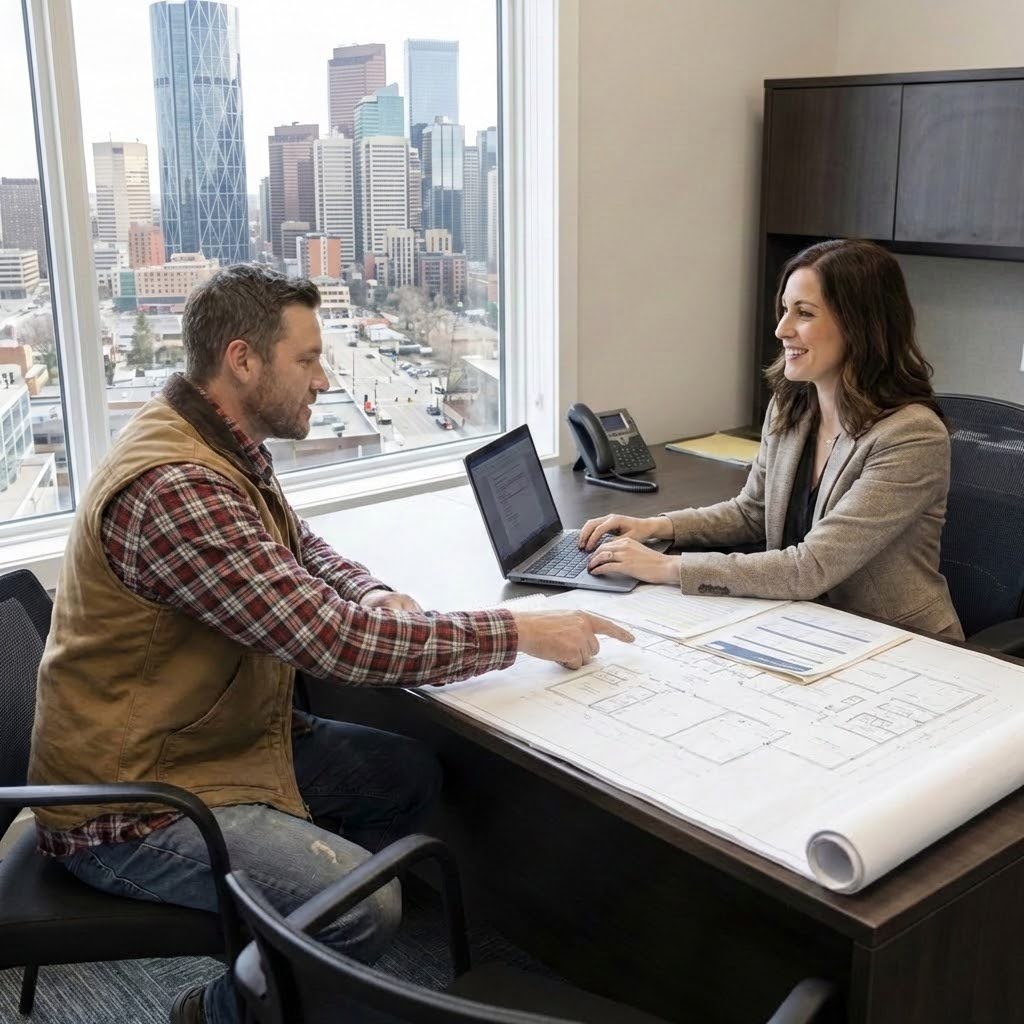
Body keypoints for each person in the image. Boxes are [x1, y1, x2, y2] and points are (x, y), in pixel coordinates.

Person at [27, 264, 632, 1024]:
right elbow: (336, 645)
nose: (323, 379)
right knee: (366, 906)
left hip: (212, 746)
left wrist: (371, 589)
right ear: (243, 360)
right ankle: (218, 1010)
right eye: (308, 359)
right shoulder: (178, 485)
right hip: (136, 804)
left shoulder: (213, 438)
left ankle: (286, 943)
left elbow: (300, 548)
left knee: (407, 777)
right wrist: (518, 631)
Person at [579, 238, 963, 640]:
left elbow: (811, 567)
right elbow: (753, 512)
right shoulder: (793, 405)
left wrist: (667, 568)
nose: (782, 329)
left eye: (804, 313)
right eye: (784, 310)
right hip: (806, 625)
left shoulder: (911, 436)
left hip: (898, 642)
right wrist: (656, 527)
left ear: (860, 325)